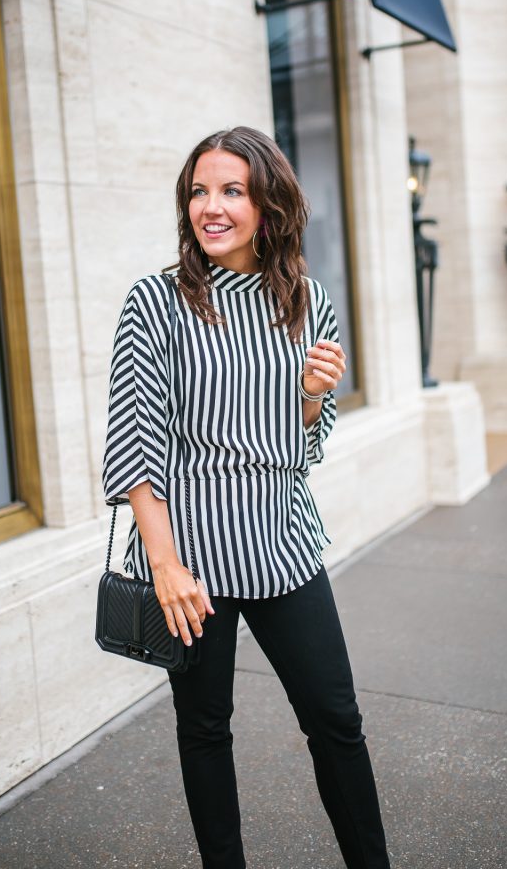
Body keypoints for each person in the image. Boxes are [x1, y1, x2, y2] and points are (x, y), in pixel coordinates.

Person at [102, 126, 391, 868]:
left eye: (231, 190)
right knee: (205, 729)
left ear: (269, 204)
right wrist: (163, 565)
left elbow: (302, 452)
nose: (212, 206)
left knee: (336, 720)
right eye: (200, 190)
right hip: (191, 563)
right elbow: (134, 447)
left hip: (283, 545)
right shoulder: (156, 303)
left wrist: (311, 398)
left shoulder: (307, 301)